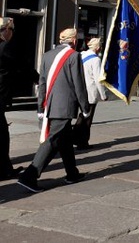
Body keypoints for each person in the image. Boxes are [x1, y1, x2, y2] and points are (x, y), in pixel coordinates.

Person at [17, 28, 90, 193]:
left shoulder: (48, 55)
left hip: (50, 105)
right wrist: (85, 108)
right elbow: (79, 84)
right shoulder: (74, 55)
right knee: (52, 141)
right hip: (64, 107)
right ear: (74, 41)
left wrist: (40, 106)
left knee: (64, 140)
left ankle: (72, 173)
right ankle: (29, 175)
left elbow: (41, 83)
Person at [73, 37, 107, 149]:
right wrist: (103, 94)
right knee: (87, 118)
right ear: (97, 48)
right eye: (100, 46)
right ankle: (83, 142)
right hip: (90, 92)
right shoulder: (96, 60)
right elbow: (98, 79)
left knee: (82, 115)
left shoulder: (81, 55)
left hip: (79, 90)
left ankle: (75, 137)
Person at [0, 17, 23, 180]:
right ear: (6, 30)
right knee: (2, 134)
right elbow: (22, 66)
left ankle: (5, 168)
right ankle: (4, 170)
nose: (12, 34)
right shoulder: (5, 47)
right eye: (12, 30)